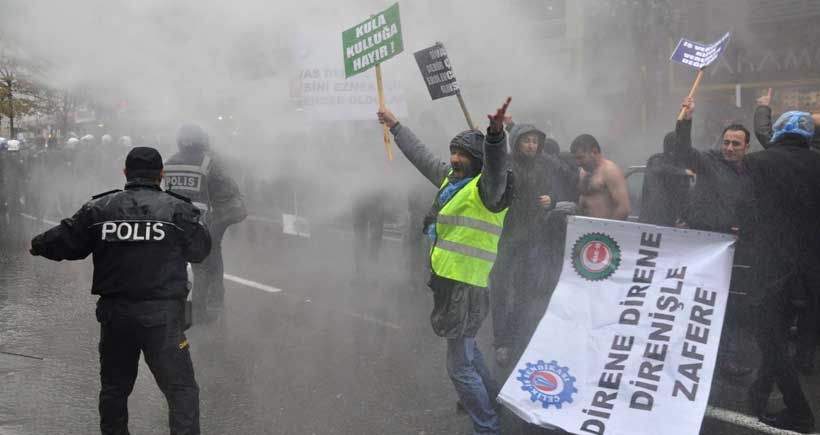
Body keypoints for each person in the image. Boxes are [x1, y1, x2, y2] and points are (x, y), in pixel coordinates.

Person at [29, 147, 211, 435]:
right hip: (163, 318)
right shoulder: (179, 209)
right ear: (161, 174)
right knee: (181, 391)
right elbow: (200, 251)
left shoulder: (100, 208)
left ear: (125, 173)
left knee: (114, 391)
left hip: (116, 317)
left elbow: (65, 242)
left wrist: (37, 244)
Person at [378, 97, 512, 435]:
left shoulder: (487, 191)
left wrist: (495, 137)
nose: (454, 158)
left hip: (464, 286)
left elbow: (496, 169)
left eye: (463, 154)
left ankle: (488, 427)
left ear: (476, 160)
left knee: (458, 367)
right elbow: (422, 156)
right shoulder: (452, 181)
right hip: (451, 283)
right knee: (468, 349)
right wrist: (395, 126)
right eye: (453, 152)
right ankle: (495, 400)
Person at [741, 111, 819, 433]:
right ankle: (759, 391)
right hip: (811, 268)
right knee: (781, 332)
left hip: (771, 265)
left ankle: (799, 411)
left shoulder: (758, 162)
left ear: (778, 131)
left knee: (768, 336)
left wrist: (748, 238)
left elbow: (746, 211)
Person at [673, 96, 754, 378]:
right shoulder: (709, 161)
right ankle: (680, 353)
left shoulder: (751, 172)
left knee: (725, 303)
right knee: (694, 300)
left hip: (730, 247)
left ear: (746, 147)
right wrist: (685, 120)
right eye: (727, 142)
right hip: (702, 244)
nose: (729, 148)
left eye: (736, 144)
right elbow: (683, 151)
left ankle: (725, 359)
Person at [164, 124, 247, 324]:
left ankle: (176, 312)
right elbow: (228, 192)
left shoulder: (168, 163)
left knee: (175, 269)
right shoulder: (209, 162)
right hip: (201, 226)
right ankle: (201, 313)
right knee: (205, 269)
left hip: (174, 224)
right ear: (202, 140)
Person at [571, 134, 630, 220]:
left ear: (594, 152)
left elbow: (624, 208)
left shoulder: (610, 171)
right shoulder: (583, 171)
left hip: (604, 229)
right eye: (576, 158)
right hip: (584, 227)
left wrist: (608, 229)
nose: (578, 163)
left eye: (581, 157)